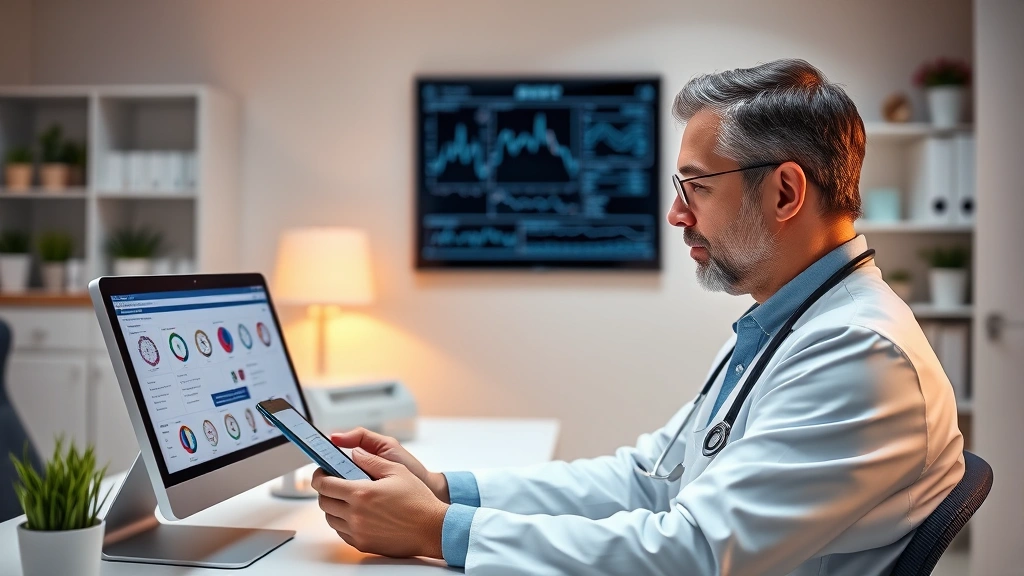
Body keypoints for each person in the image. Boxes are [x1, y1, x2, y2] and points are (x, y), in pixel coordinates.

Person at [310, 59, 964, 575]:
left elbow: (693, 555)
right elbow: (648, 481)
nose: (677, 215)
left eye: (696, 187)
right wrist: (442, 489)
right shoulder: (784, 326)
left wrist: (435, 530)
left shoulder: (860, 354)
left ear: (786, 191)